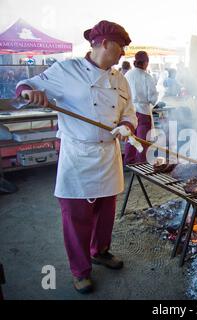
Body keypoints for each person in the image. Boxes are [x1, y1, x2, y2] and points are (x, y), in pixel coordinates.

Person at [15, 20, 137, 294]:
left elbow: (129, 111)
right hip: (78, 156)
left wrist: (126, 126)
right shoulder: (65, 70)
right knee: (76, 217)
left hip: (108, 155)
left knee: (106, 213)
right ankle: (80, 270)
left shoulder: (119, 79)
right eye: (121, 47)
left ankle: (100, 251)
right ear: (105, 43)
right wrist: (28, 92)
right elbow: (26, 85)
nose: (123, 54)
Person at [124, 51, 158, 164]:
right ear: (146, 63)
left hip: (129, 110)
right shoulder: (146, 76)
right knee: (143, 140)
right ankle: (140, 164)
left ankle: (129, 162)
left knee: (131, 138)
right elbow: (152, 97)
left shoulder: (127, 74)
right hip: (143, 112)